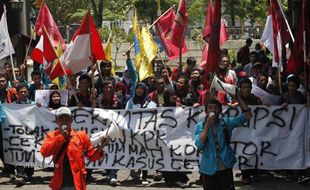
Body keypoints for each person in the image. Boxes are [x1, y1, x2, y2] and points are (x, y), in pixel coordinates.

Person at [40, 107, 108, 190]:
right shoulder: (52, 136)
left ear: (71, 120)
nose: (64, 121)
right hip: (59, 183)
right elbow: (44, 152)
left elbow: (91, 157)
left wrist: (101, 147)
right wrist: (61, 138)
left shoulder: (81, 136)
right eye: (61, 119)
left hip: (77, 183)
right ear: (57, 121)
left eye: (67, 119)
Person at [194, 97, 253, 190]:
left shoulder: (226, 122)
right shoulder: (200, 126)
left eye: (216, 107)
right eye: (210, 108)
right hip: (209, 168)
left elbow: (248, 115)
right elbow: (199, 144)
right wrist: (207, 126)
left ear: (220, 111)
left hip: (225, 167)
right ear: (206, 111)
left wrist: (239, 98)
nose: (213, 110)